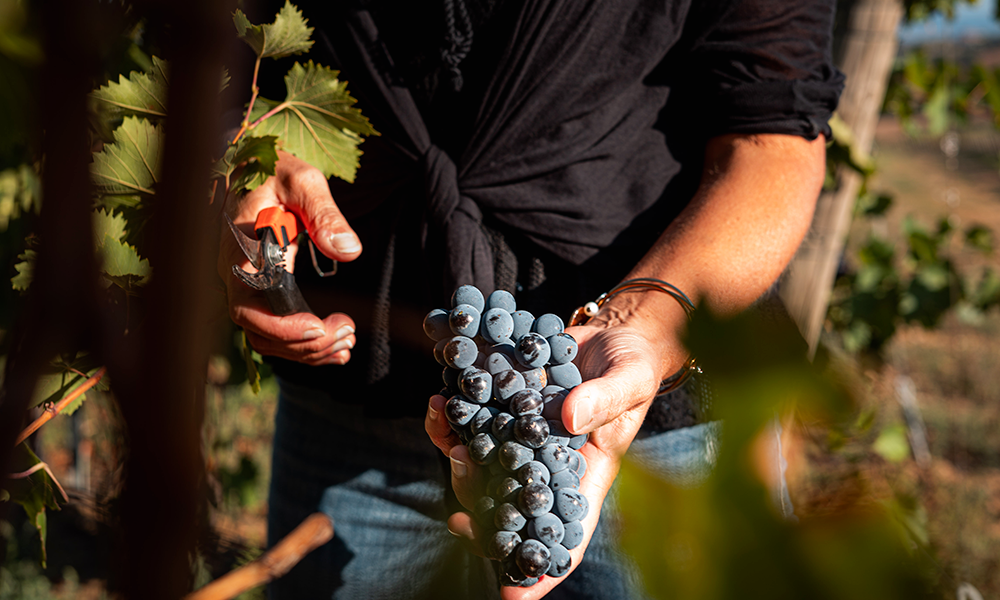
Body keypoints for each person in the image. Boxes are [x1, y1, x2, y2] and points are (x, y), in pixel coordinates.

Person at [219, 0, 843, 598]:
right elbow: (228, 51)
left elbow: (773, 144)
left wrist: (646, 320)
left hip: (639, 424)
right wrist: (244, 167)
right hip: (353, 399)